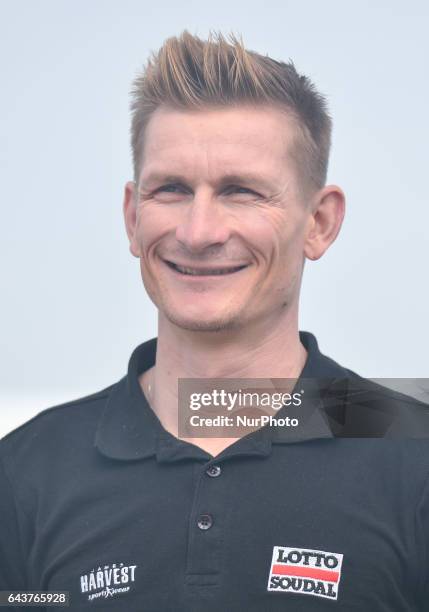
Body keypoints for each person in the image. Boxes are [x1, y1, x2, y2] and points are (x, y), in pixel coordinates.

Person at [0, 29, 428, 612]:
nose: (198, 232)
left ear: (320, 223)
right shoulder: (25, 471)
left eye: (242, 192)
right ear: (132, 217)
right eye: (171, 189)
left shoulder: (414, 450)